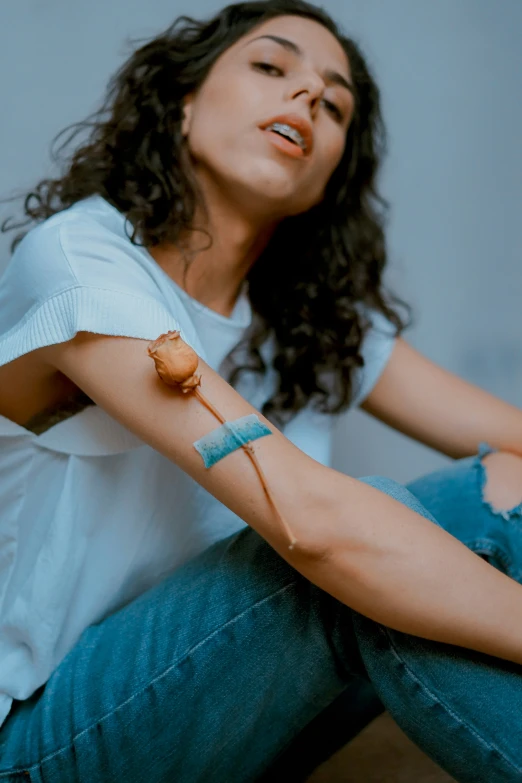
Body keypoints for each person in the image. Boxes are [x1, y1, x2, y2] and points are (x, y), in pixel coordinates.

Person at [0, 1, 521, 780]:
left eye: (335, 103)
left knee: (498, 487)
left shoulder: (311, 315)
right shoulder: (82, 264)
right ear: (182, 104)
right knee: (341, 558)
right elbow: (315, 525)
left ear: (331, 174)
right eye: (272, 68)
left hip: (220, 715)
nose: (308, 97)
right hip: (38, 740)